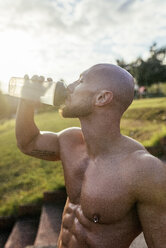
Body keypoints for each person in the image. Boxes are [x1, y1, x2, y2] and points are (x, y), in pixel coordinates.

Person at [16, 63, 166, 248]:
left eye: (80, 81)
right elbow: (28, 143)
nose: (68, 86)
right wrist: (26, 101)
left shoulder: (144, 171)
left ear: (102, 97)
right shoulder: (69, 141)